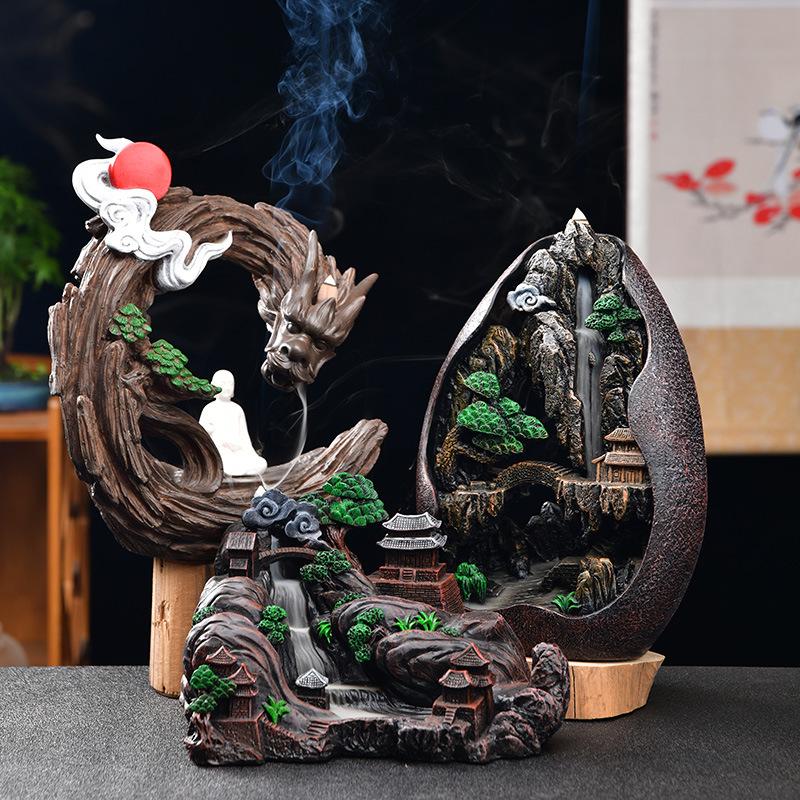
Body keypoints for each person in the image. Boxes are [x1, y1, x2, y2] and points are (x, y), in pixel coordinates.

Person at [199, 369, 267, 477]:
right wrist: (219, 440)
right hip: (220, 452)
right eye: (223, 384)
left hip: (239, 452)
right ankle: (228, 469)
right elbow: (202, 436)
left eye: (230, 384)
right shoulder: (209, 409)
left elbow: (244, 437)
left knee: (261, 463)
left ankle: (239, 469)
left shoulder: (237, 409)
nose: (227, 388)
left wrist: (247, 451)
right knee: (224, 463)